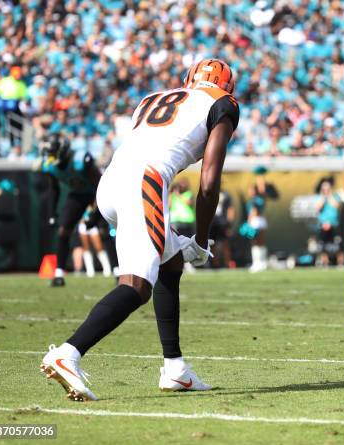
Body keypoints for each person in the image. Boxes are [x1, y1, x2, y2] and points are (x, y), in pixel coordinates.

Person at [40, 58, 239, 401]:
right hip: (143, 181)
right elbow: (208, 183)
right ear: (228, 86)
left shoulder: (151, 98)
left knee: (170, 261)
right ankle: (68, 353)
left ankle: (175, 369)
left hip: (111, 182)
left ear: (189, 80)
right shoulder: (223, 104)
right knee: (136, 285)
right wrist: (203, 239)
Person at [37, 133, 102, 287]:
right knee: (63, 231)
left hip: (98, 193)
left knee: (105, 231)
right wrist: (52, 213)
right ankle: (59, 274)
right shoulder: (51, 166)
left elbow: (100, 185)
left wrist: (96, 212)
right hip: (77, 195)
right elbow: (54, 189)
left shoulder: (80, 160)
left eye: (53, 153)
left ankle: (118, 270)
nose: (50, 157)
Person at [78, 206, 113, 277]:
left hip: (93, 224)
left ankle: (107, 269)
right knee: (86, 248)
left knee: (99, 248)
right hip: (83, 225)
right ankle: (90, 271)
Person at [210, 190, 235, 268]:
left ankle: (228, 263)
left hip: (223, 222)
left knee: (225, 244)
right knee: (212, 244)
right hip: (212, 222)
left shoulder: (226, 194)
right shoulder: (210, 193)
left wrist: (229, 223)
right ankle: (215, 264)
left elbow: (230, 209)